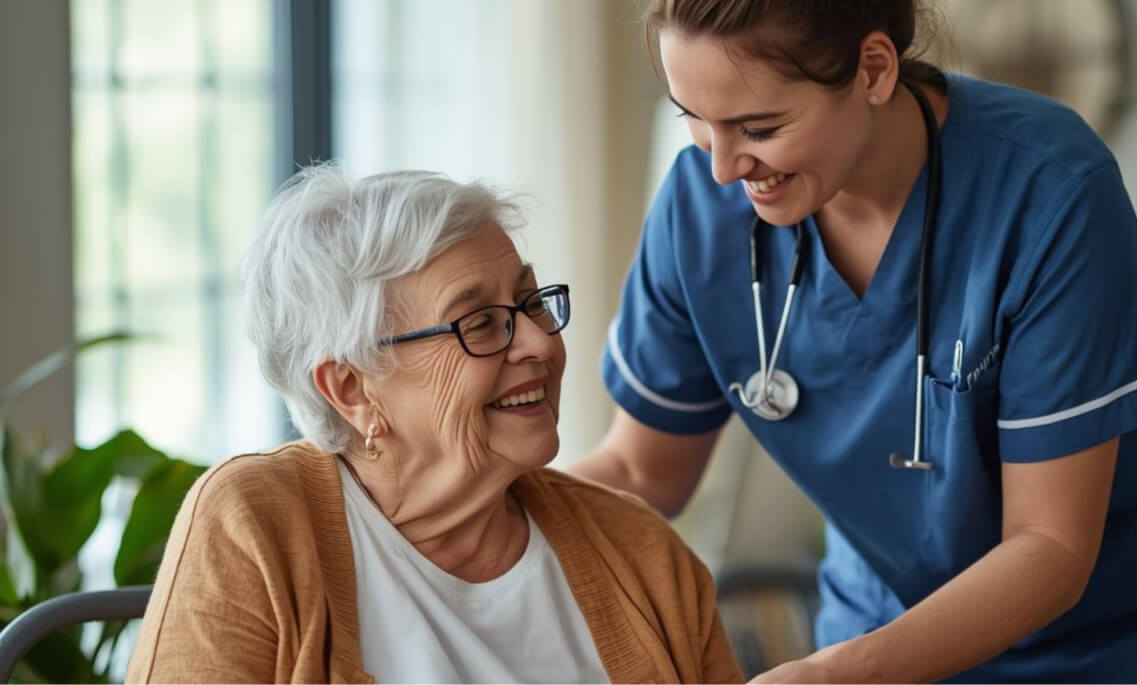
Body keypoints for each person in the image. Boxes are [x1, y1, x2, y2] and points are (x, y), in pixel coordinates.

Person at [570, 1, 1137, 682]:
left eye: (757, 127)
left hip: (1124, 637)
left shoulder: (1048, 190)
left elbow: (1050, 543)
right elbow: (641, 473)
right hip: (883, 625)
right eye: (694, 118)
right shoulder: (698, 213)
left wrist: (836, 673)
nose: (724, 169)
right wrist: (473, 514)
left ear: (872, 69)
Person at [125, 164, 742, 684]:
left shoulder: (640, 554)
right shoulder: (255, 527)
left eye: (530, 303)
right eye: (478, 323)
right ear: (352, 389)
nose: (538, 342)